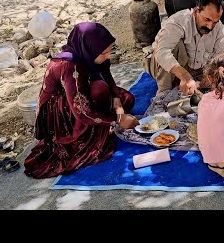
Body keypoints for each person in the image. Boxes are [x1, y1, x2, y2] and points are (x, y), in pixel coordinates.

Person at [24, 22, 140, 179]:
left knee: (126, 98)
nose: (108, 56)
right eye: (104, 54)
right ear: (89, 48)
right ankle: (90, 137)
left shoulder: (89, 53)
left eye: (108, 51)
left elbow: (107, 77)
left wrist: (117, 102)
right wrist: (117, 119)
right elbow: (83, 112)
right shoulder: (68, 65)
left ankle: (105, 121)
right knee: (100, 89)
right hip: (63, 114)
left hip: (81, 95)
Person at [143, 0, 224, 96]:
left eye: (214, 22)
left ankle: (182, 83)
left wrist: (211, 72)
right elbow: (162, 52)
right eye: (207, 20)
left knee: (220, 84)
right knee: (177, 46)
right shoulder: (179, 21)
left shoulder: (219, 28)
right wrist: (184, 75)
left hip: (196, 68)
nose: (210, 27)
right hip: (161, 65)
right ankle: (164, 91)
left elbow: (221, 55)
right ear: (196, 11)